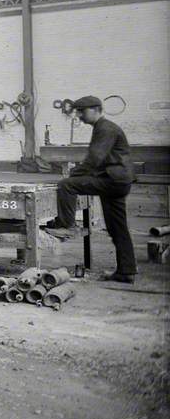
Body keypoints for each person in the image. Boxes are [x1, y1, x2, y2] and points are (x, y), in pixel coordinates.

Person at [45, 96, 136, 282]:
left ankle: (65, 224)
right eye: (77, 111)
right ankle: (126, 272)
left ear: (96, 109)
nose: (78, 115)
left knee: (66, 185)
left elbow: (94, 160)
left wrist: (73, 175)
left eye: (82, 111)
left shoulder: (105, 128)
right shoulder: (105, 127)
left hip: (113, 181)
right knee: (117, 227)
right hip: (118, 181)